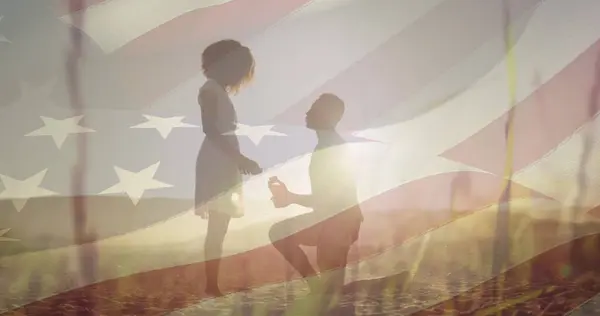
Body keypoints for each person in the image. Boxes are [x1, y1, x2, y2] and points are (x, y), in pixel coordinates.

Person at [268, 93, 363, 299]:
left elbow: (331, 200)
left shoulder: (331, 148)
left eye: (314, 109)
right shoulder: (327, 146)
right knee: (332, 293)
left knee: (331, 295)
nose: (307, 112)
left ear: (328, 116)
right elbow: (327, 198)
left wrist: (291, 198)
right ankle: (321, 287)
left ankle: (321, 287)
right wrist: (291, 197)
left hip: (337, 224)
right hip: (335, 222)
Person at [195, 39, 262, 296]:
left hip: (222, 157)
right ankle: (211, 285)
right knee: (218, 223)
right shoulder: (211, 90)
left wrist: (238, 159)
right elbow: (210, 129)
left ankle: (212, 284)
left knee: (219, 224)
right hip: (218, 159)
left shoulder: (216, 90)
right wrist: (239, 159)